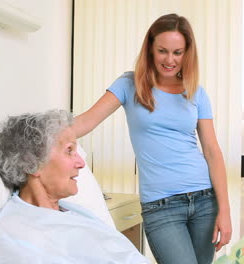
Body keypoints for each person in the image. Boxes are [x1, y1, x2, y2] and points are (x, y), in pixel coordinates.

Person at [72, 13, 232, 264]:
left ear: (187, 53)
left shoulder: (196, 93)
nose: (170, 60)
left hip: (204, 200)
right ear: (150, 49)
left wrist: (225, 210)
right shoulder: (129, 84)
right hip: (161, 206)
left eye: (177, 52)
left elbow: (212, 151)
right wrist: (42, 135)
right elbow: (84, 122)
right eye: (162, 51)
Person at [0, 110, 149, 264]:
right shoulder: (13, 235)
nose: (81, 163)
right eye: (69, 151)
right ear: (32, 162)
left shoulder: (72, 211)